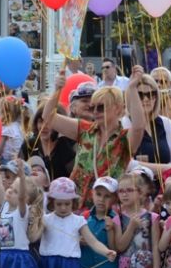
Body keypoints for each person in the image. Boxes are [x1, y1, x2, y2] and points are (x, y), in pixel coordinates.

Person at [42, 69, 145, 205]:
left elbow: (139, 127)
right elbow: (48, 117)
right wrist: (57, 90)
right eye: (92, 108)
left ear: (118, 108)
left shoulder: (123, 138)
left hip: (106, 212)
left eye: (101, 107)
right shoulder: (85, 129)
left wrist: (132, 88)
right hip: (76, 208)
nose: (95, 112)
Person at [0, 96, 25, 165]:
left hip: (6, 161)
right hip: (17, 159)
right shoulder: (18, 126)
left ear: (4, 113)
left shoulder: (7, 129)